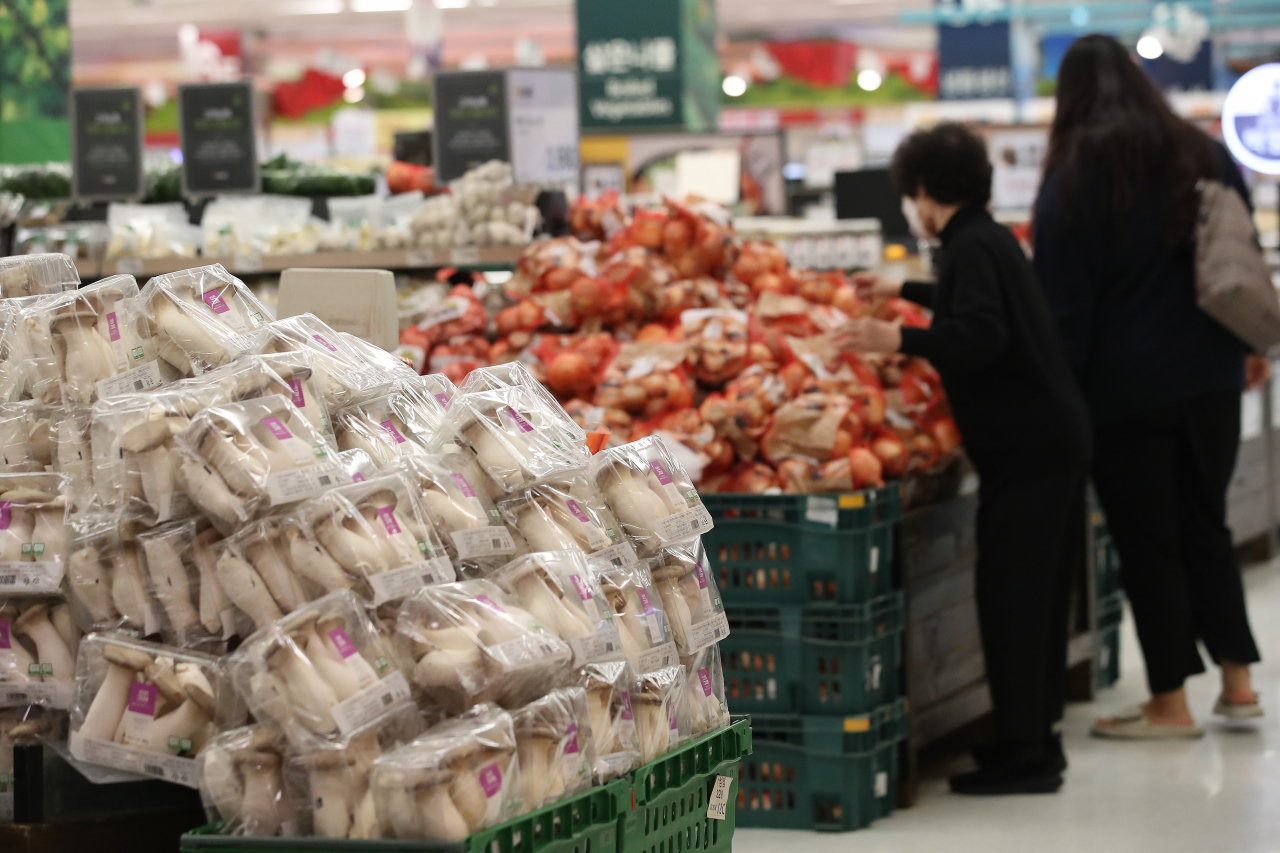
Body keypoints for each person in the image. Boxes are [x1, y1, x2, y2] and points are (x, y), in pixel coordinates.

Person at [839, 123, 1091, 795]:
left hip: (1028, 452)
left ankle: (1025, 756)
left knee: (1012, 600)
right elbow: (972, 305)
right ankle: (1037, 741)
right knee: (1035, 601)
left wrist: (895, 334)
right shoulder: (983, 239)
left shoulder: (970, 247)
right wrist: (904, 289)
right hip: (1051, 443)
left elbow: (979, 334)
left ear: (923, 191)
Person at [1033, 34, 1263, 739]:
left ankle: (1170, 701)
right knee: (1206, 523)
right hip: (1213, 373)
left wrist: (1057, 391)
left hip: (1126, 388)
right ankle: (1239, 681)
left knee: (1148, 539)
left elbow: (1063, 304)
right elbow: (1239, 248)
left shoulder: (1074, 170)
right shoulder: (1199, 151)